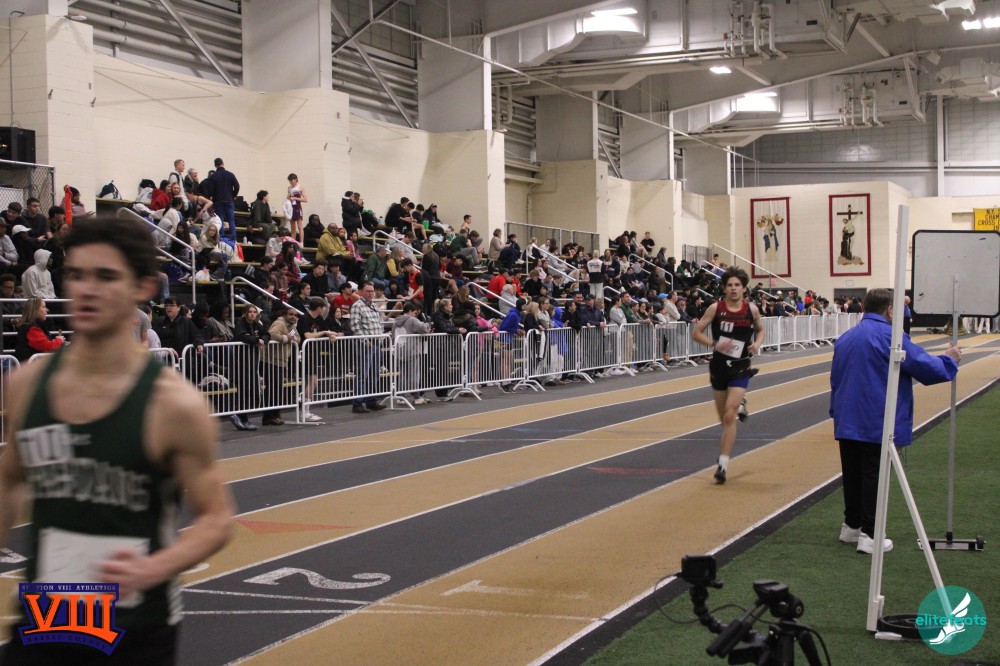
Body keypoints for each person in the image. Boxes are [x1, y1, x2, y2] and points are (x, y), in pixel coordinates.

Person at [0, 216, 234, 663]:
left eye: (106, 277)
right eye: (77, 275)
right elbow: (10, 479)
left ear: (142, 287)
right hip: (46, 618)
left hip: (136, 628)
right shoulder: (28, 385)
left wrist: (154, 567)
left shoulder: (173, 405)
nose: (87, 290)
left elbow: (217, 518)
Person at [830, 288, 960, 554]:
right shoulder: (890, 336)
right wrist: (949, 361)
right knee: (874, 475)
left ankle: (852, 526)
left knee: (853, 473)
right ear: (890, 310)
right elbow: (923, 365)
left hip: (847, 416)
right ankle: (871, 535)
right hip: (876, 417)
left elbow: (835, 378)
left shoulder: (846, 338)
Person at [691, 267, 765, 485]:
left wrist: (757, 344)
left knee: (729, 416)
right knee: (723, 418)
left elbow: (761, 330)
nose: (733, 289)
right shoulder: (716, 308)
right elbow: (696, 332)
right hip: (719, 367)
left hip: (741, 366)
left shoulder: (751, 309)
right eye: (730, 285)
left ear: (744, 289)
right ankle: (740, 404)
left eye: (737, 285)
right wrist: (714, 343)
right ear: (724, 288)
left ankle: (723, 465)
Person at [14, 297, 65, 361]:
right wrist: (59, 340)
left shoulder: (32, 326)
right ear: (35, 310)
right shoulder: (31, 328)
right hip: (31, 365)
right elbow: (47, 347)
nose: (47, 310)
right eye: (44, 307)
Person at [209, 157, 240, 241]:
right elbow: (237, 186)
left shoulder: (213, 176)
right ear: (223, 164)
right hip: (229, 200)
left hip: (218, 201)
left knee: (220, 220)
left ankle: (222, 237)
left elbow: (210, 189)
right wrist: (233, 195)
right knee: (231, 220)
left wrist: (213, 196)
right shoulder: (230, 174)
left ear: (215, 165)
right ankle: (233, 238)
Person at [285, 173, 307, 245]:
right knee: (292, 226)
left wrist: (295, 198)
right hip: (291, 207)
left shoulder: (300, 187)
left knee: (299, 225)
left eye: (292, 180)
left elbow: (305, 199)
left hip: (297, 207)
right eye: (290, 181)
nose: (291, 182)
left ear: (296, 179)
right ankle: (293, 241)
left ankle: (301, 242)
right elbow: (288, 197)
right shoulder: (289, 188)